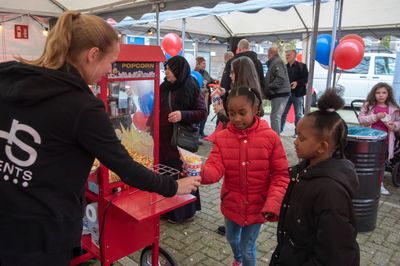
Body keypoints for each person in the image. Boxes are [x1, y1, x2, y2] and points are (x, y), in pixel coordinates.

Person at [0, 11, 201, 266]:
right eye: (110, 61)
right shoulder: (82, 106)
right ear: (92, 55)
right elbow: (125, 167)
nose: (110, 69)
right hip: (43, 233)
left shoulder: (8, 75)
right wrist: (173, 187)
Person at [270, 89, 360, 266]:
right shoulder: (304, 170)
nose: (295, 141)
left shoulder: (330, 192)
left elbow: (335, 254)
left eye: (301, 138)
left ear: (322, 147)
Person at [201, 86, 289, 266]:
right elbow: (214, 167)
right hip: (232, 202)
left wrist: (273, 202)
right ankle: (237, 259)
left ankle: (243, 259)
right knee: (232, 238)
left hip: (258, 205)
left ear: (256, 110)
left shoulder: (271, 138)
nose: (236, 119)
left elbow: (281, 175)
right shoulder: (222, 137)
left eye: (242, 113)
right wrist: (198, 171)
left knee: (247, 246)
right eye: (232, 113)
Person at [212, 56, 265, 236]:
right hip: (238, 158)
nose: (231, 76)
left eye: (233, 73)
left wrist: (220, 112)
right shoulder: (250, 92)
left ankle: (236, 226)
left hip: (242, 152)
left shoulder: (247, 97)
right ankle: (233, 224)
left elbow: (236, 126)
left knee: (240, 184)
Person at [157, 55, 207, 223]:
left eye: (170, 69)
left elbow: (202, 112)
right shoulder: (164, 86)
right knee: (165, 174)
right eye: (166, 69)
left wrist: (182, 115)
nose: (167, 73)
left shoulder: (191, 85)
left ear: (179, 70)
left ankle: (184, 213)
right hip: (163, 140)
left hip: (179, 140)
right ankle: (166, 209)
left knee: (182, 174)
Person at [358, 82, 400, 195]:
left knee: (381, 164)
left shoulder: (393, 108)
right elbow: (361, 120)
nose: (381, 95)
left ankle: (379, 184)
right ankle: (364, 183)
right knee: (367, 163)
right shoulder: (369, 106)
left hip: (385, 141)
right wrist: (375, 117)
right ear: (374, 93)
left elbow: (398, 121)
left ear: (388, 94)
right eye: (378, 92)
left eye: (384, 92)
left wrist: (394, 125)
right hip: (370, 140)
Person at [263, 47, 291, 135]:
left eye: (267, 54)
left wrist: (269, 87)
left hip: (280, 93)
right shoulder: (276, 62)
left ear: (270, 53)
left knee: (275, 117)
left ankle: (275, 139)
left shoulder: (276, 62)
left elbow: (280, 78)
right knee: (275, 116)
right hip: (280, 93)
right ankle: (275, 137)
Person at [280, 49, 309, 134]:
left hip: (298, 94)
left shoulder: (302, 66)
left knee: (298, 114)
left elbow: (306, 79)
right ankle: (279, 130)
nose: (287, 56)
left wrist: (297, 82)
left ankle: (298, 133)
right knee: (283, 113)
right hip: (286, 94)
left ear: (294, 56)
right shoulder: (284, 67)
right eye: (286, 55)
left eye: (289, 55)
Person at [195, 56, 216, 138]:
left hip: (207, 99)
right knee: (199, 115)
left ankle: (201, 132)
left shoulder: (205, 73)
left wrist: (216, 83)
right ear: (198, 64)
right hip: (199, 99)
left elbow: (211, 80)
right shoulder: (195, 74)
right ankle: (196, 134)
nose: (205, 65)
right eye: (203, 63)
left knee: (206, 114)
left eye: (205, 63)